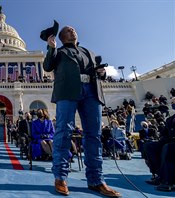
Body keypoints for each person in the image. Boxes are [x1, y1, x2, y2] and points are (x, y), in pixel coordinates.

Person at [43, 26, 121, 197]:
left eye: (74, 29)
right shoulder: (59, 52)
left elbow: (97, 73)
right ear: (62, 37)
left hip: (91, 92)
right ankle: (60, 177)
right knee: (64, 131)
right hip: (68, 91)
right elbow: (47, 66)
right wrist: (51, 47)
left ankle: (96, 180)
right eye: (68, 30)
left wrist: (101, 73)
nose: (73, 31)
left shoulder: (88, 52)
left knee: (94, 134)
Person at [144, 97, 175, 191]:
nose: (173, 104)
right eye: (172, 103)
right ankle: (160, 175)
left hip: (173, 143)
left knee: (168, 148)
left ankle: (170, 181)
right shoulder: (171, 118)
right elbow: (165, 132)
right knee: (149, 146)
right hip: (170, 141)